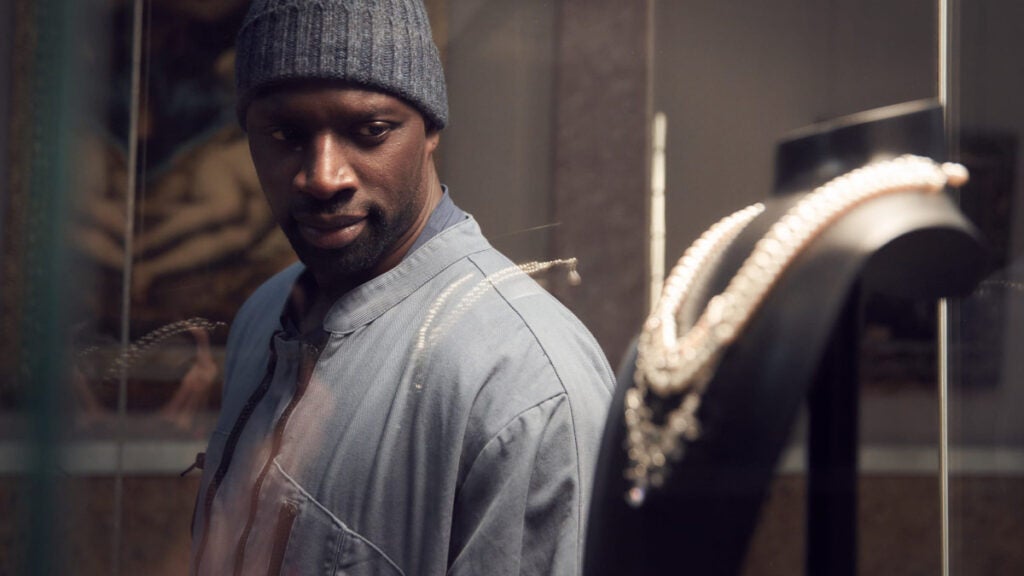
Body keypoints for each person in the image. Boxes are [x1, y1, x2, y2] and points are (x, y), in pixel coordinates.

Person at [188, 0, 615, 574]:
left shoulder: (524, 381)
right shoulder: (262, 316)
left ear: (430, 128)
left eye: (370, 131)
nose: (323, 177)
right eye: (285, 133)